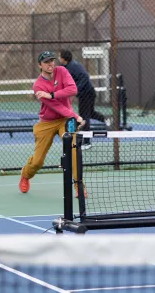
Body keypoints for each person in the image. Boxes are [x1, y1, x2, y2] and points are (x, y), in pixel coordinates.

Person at [19, 51, 85, 196]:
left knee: (74, 150)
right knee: (37, 161)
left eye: (52, 61)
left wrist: (52, 94)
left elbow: (72, 89)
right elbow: (56, 106)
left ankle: (78, 185)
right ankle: (25, 174)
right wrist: (76, 117)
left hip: (65, 120)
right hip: (46, 123)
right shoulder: (38, 85)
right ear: (40, 65)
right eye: (46, 62)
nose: (50, 64)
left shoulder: (61, 71)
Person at [59, 50, 110, 150]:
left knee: (84, 117)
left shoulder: (74, 66)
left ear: (64, 58)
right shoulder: (66, 67)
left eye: (59, 56)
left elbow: (85, 77)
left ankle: (87, 142)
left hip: (87, 93)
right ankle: (105, 119)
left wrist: (76, 89)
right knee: (90, 113)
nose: (58, 58)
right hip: (85, 94)